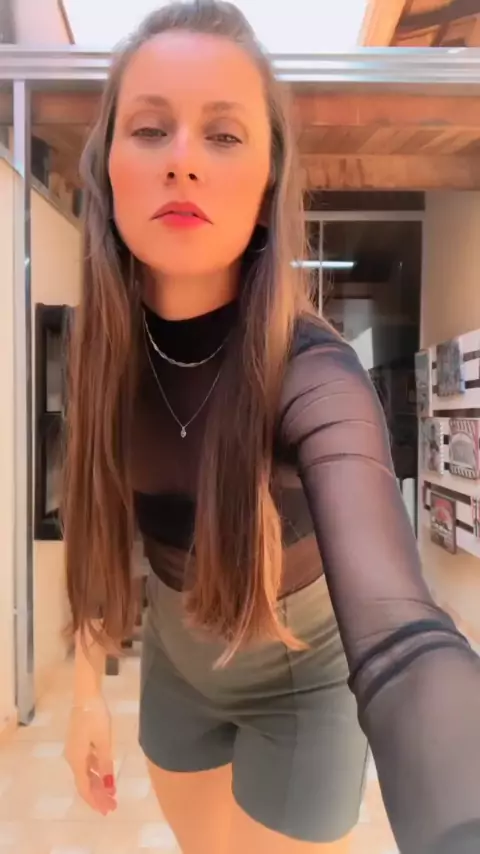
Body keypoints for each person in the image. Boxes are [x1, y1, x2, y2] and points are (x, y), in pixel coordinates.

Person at [63, 3, 480, 853]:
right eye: (150, 129)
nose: (182, 160)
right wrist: (83, 693)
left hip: (303, 672)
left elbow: (401, 632)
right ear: (107, 167)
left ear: (266, 186)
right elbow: (97, 517)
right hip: (177, 663)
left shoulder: (314, 373)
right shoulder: (101, 348)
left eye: (223, 136)